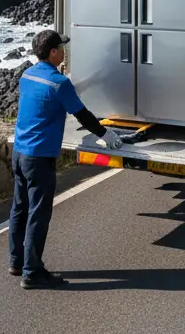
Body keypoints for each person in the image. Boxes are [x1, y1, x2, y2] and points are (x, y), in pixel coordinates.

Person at [10, 28, 124, 289]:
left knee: (20, 208)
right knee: (38, 214)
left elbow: (46, 101)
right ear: (53, 52)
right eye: (62, 48)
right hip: (39, 158)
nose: (64, 51)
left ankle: (16, 261)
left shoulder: (27, 75)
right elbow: (81, 114)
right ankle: (32, 273)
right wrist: (106, 134)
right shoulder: (59, 83)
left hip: (19, 152)